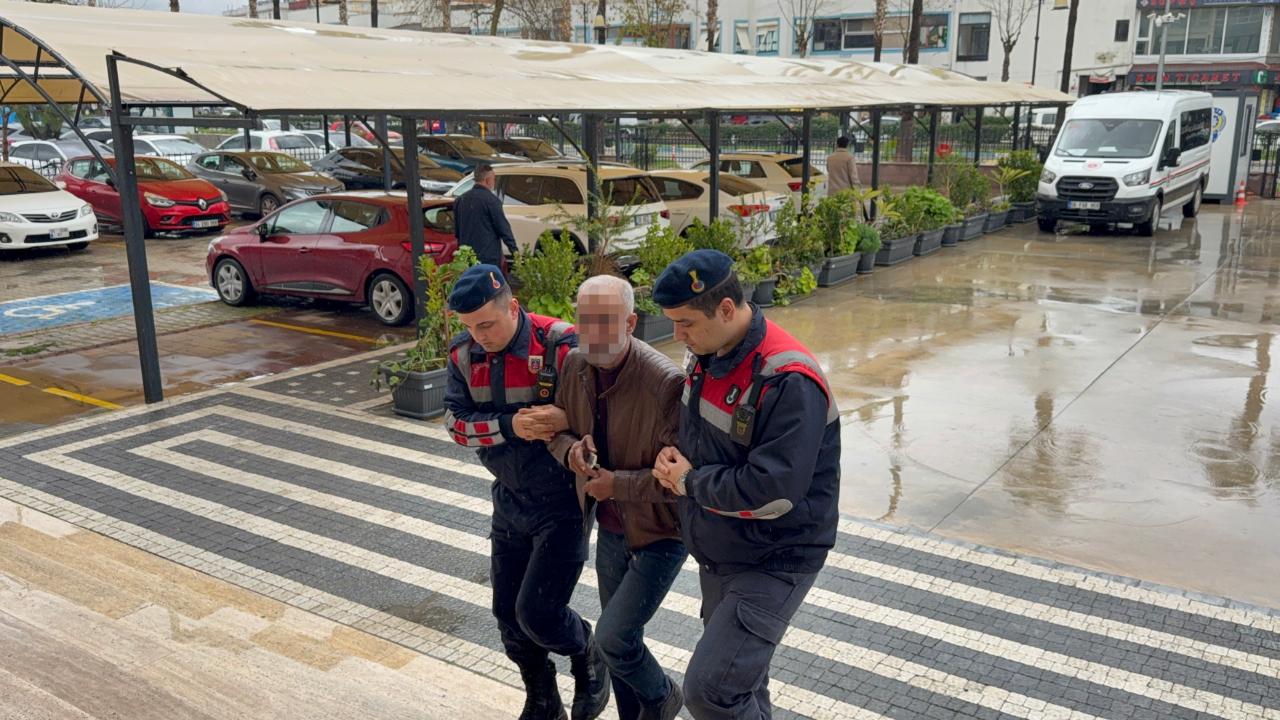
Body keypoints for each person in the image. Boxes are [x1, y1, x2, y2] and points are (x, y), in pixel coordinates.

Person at [648, 250, 841, 720]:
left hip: (775, 556)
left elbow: (773, 491)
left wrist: (689, 481)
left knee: (710, 691)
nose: (678, 335)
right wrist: (673, 455)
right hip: (722, 549)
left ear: (726, 309)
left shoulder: (788, 379)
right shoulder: (710, 353)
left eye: (686, 323)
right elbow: (701, 434)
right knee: (743, 685)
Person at [442, 264, 610, 720]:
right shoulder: (463, 356)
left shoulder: (561, 344)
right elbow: (456, 425)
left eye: (487, 324)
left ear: (513, 307)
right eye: (470, 327)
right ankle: (542, 698)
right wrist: (509, 425)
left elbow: (603, 409)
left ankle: (588, 655)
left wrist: (566, 418)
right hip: (509, 498)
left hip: (562, 502)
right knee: (507, 615)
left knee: (539, 612)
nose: (480, 336)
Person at [547, 276, 688, 720]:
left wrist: (616, 485)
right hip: (609, 530)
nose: (592, 333)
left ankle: (664, 697)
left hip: (660, 533)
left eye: (604, 321)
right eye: (584, 320)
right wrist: (572, 452)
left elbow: (680, 481)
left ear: (630, 322)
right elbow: (557, 431)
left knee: (612, 637)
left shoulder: (665, 382)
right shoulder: (575, 364)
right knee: (621, 645)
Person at [453, 163, 518, 267]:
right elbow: (503, 229)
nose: (494, 182)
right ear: (488, 180)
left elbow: (457, 232)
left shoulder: (460, 200)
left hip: (466, 257)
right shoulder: (492, 201)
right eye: (494, 179)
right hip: (488, 258)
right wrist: (515, 252)